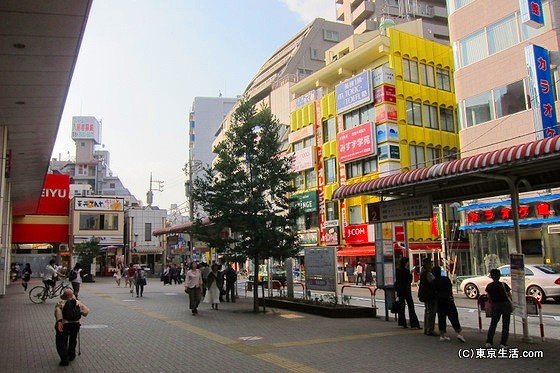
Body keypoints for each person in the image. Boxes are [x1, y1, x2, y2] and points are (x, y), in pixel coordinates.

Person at [54, 288, 89, 366]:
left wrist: (59, 321)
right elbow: (86, 311)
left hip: (64, 324)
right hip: (75, 325)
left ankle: (64, 359)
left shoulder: (61, 302)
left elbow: (57, 312)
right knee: (73, 340)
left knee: (61, 341)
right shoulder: (77, 303)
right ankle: (71, 355)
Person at [432, 266, 465, 343]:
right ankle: (459, 333)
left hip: (440, 301)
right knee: (453, 317)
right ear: (440, 272)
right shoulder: (446, 279)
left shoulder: (433, 282)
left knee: (441, 318)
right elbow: (450, 289)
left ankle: (442, 335)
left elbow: (433, 293)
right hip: (448, 300)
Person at [485, 268, 513, 348]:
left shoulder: (489, 286)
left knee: (493, 324)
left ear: (491, 277)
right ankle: (503, 343)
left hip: (495, 306)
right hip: (505, 305)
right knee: (506, 325)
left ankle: (489, 342)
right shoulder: (503, 285)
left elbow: (488, 296)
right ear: (499, 276)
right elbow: (509, 295)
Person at [395, 257, 420, 329]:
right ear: (405, 263)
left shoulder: (398, 270)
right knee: (411, 306)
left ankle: (403, 323)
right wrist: (411, 273)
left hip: (400, 290)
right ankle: (414, 323)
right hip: (406, 290)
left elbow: (397, 281)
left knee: (402, 307)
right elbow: (409, 280)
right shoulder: (406, 271)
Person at [418, 258, 437, 336]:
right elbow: (433, 282)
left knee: (427, 311)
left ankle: (426, 329)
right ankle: (430, 329)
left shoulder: (423, 272)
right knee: (431, 312)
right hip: (429, 295)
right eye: (430, 263)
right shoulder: (427, 273)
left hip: (424, 294)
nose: (431, 265)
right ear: (427, 264)